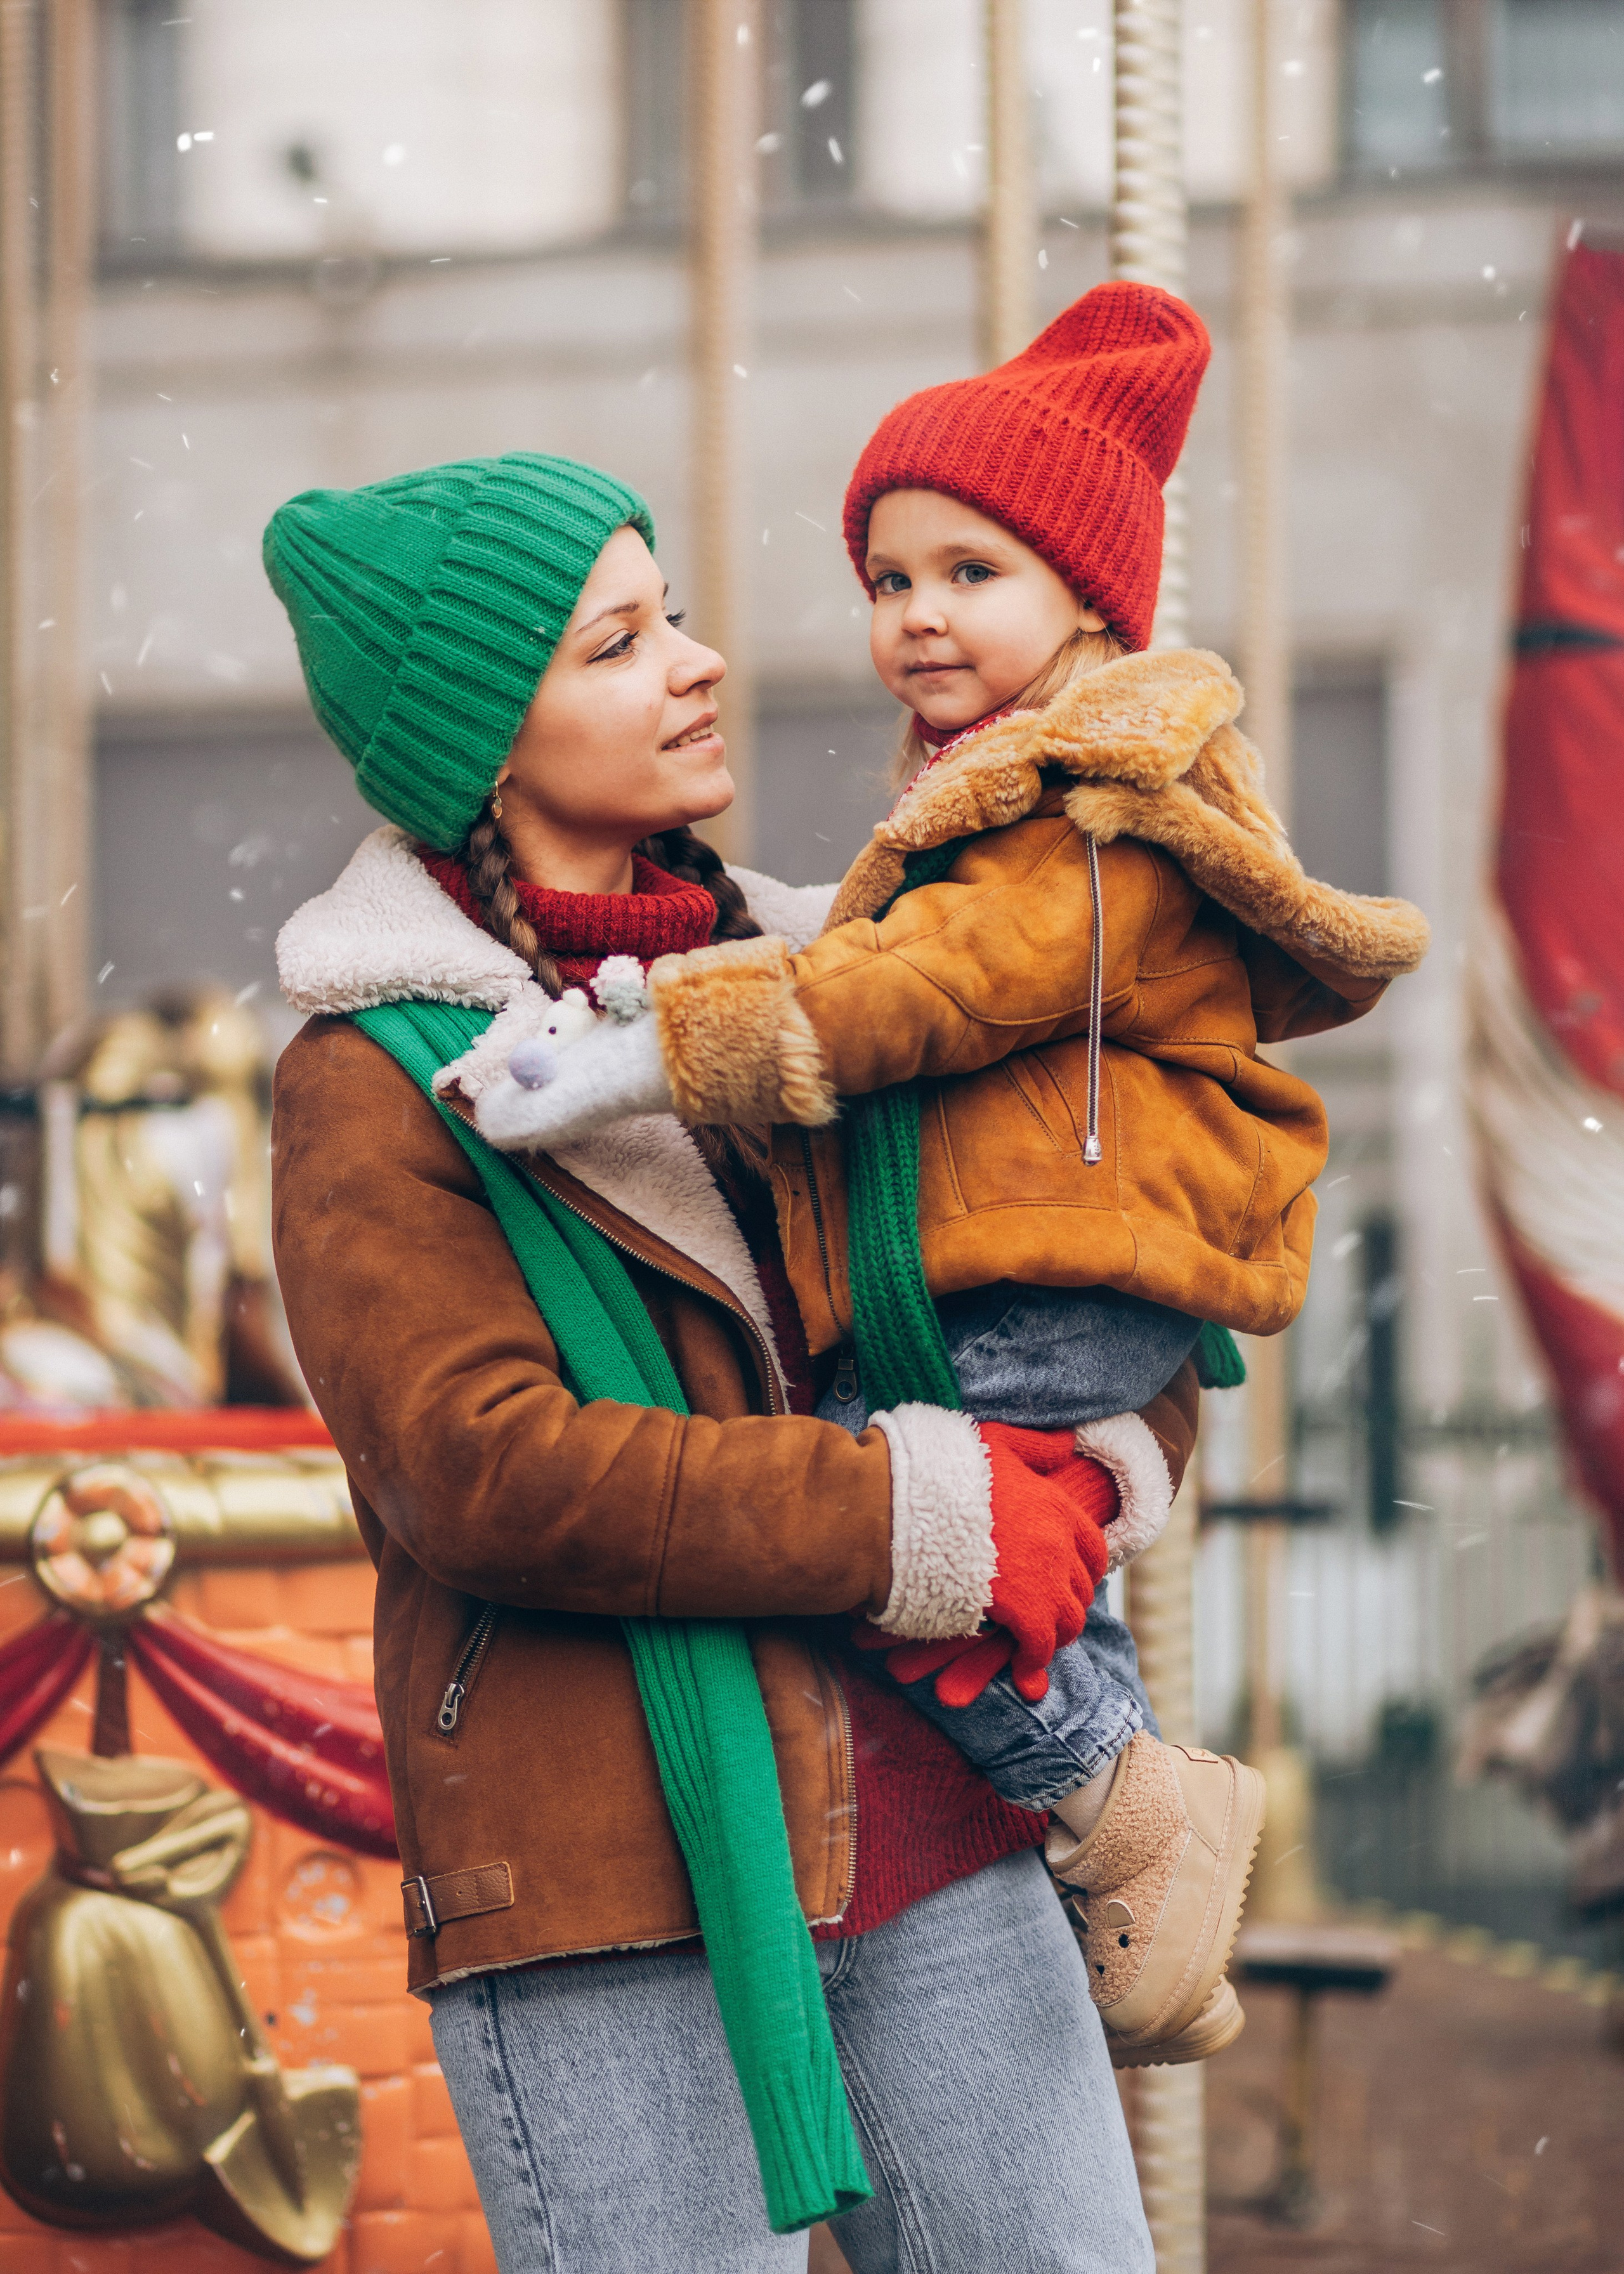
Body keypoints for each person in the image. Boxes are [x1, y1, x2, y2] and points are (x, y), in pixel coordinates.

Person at [466, 285, 1432, 2064]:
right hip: (1043, 1263)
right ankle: (1129, 1857)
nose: (917, 614)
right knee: (985, 1559)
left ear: (1088, 597)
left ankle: (1120, 1797)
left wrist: (663, 1042)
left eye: (970, 572)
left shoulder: (1097, 808)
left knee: (885, 1524)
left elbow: (924, 992)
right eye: (889, 577)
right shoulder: (991, 789)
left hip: (1065, 1270)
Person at [265, 449, 1196, 2271]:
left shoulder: (847, 975)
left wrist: (1085, 1471)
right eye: (617, 644)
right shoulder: (375, 1077)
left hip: (945, 1816)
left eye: (672, 615)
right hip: (616, 1870)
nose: (695, 663)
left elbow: (1112, 1249)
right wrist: (918, 1518)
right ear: (483, 747)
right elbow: (486, 1470)